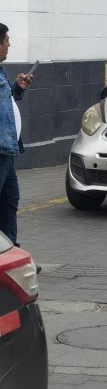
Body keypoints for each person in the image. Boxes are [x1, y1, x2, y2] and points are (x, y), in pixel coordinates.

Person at [0, 23, 34, 247]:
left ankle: (11, 256)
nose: (9, 44)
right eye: (6, 40)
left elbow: (5, 101)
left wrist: (17, 88)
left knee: (9, 202)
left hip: (7, 151)